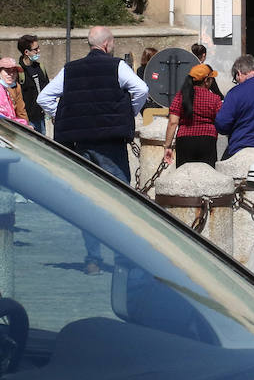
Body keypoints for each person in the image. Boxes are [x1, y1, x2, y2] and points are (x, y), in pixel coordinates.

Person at [38, 25, 149, 275]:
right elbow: (142, 90)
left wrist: (62, 117)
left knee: (88, 202)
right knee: (121, 199)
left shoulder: (70, 69)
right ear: (108, 44)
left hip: (80, 144)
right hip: (110, 143)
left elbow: (43, 98)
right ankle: (124, 256)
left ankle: (93, 260)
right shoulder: (117, 66)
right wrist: (128, 113)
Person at [162, 64, 222, 167]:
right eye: (211, 78)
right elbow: (221, 121)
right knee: (207, 176)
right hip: (208, 141)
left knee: (185, 176)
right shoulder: (215, 98)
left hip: (185, 141)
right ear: (206, 80)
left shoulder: (181, 96)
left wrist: (167, 146)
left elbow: (173, 122)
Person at [17, 33, 49, 134]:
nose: (38, 51)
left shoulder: (40, 67)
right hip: (27, 120)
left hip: (41, 117)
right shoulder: (18, 71)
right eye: (35, 49)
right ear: (26, 52)